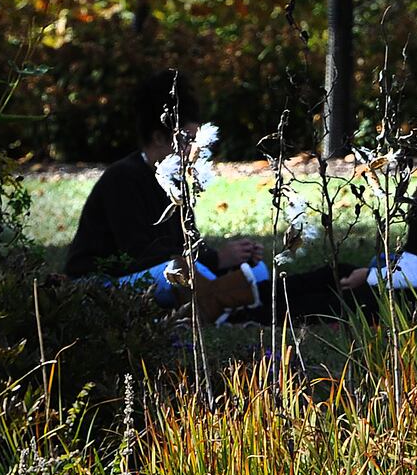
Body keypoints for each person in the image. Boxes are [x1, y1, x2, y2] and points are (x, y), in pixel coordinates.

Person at [245, 105, 417, 324]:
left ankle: (246, 310)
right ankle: (255, 293)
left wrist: (368, 275)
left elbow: (413, 273)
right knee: (342, 273)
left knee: (341, 294)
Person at [64, 70, 266, 317]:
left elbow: (186, 243)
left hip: (160, 270)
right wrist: (217, 260)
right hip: (103, 282)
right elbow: (140, 254)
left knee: (259, 271)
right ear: (159, 138)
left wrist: (233, 258)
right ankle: (225, 302)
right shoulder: (122, 177)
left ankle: (222, 300)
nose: (193, 150)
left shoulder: (176, 180)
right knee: (173, 272)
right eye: (186, 141)